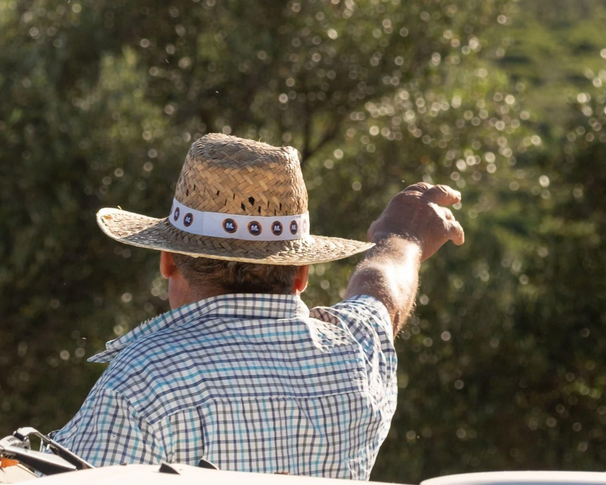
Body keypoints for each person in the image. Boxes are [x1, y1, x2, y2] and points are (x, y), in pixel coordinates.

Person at [50, 132, 466, 480]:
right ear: (301, 273)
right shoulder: (354, 354)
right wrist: (403, 238)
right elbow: (382, 294)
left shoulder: (142, 381)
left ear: (168, 261)